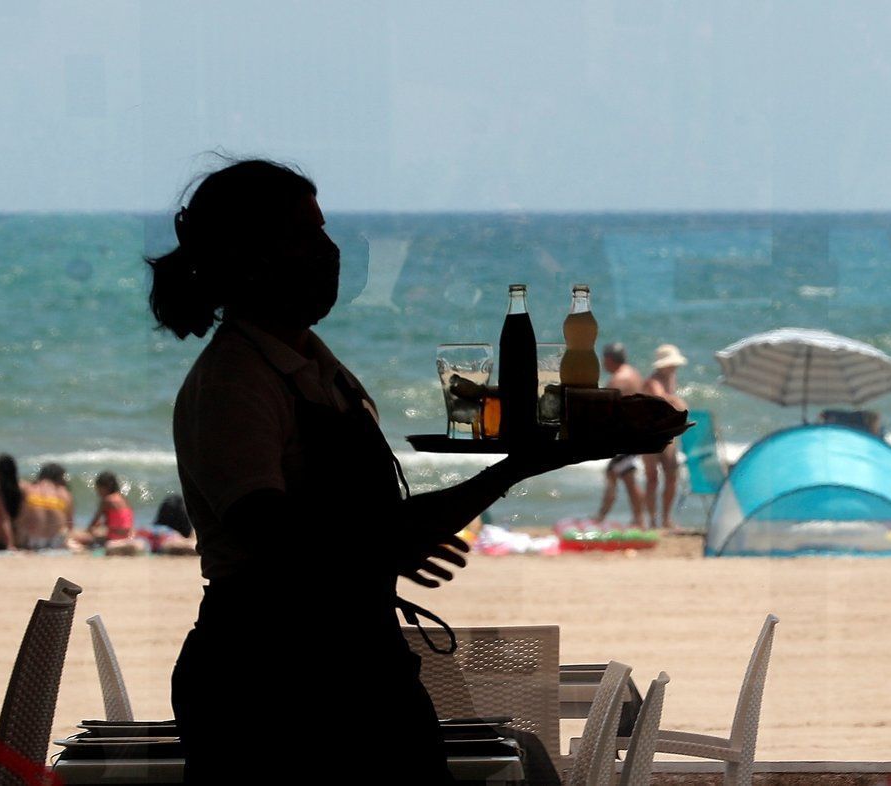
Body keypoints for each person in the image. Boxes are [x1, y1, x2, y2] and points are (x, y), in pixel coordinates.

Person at [149, 159, 586, 783]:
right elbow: (270, 532)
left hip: (354, 664)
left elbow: (356, 530)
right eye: (306, 234)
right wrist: (389, 544)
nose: (329, 251)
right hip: (270, 683)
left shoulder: (314, 368)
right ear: (251, 257)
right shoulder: (233, 383)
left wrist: (408, 530)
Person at [594, 342, 646, 527]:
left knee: (616, 473)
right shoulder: (634, 374)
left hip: (628, 435)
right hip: (638, 432)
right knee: (624, 474)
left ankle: (604, 518)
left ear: (609, 359)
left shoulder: (617, 380)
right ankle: (637, 519)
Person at [642, 344, 688, 530]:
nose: (674, 367)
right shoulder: (652, 381)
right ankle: (653, 521)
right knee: (652, 478)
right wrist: (678, 402)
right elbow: (661, 398)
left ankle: (666, 519)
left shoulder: (670, 378)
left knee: (671, 475)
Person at [17, 462, 74, 550]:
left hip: (31, 540)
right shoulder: (64, 493)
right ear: (60, 478)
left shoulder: (29, 488)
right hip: (56, 541)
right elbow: (69, 525)